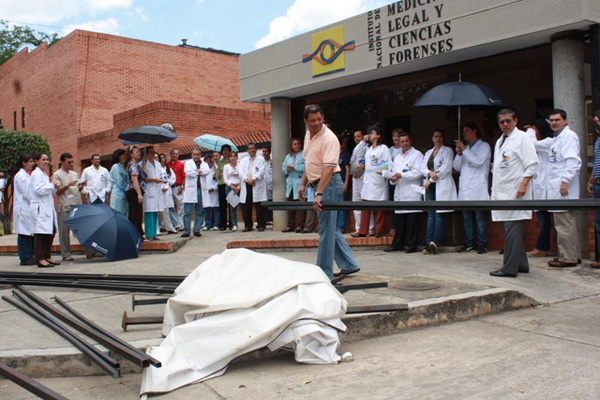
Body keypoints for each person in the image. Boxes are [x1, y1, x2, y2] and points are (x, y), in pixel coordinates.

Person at [298, 104, 360, 279]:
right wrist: (303, 184)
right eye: (313, 120)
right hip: (316, 184)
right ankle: (349, 264)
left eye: (319, 119)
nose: (317, 123)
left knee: (325, 230)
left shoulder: (329, 138)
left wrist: (319, 193)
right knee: (330, 227)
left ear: (323, 117)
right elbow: (308, 162)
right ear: (306, 121)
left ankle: (324, 272)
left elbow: (328, 168)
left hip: (329, 184)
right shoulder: (308, 135)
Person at [489, 108, 538, 278]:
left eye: (508, 121)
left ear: (515, 121)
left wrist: (523, 185)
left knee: (512, 230)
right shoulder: (500, 140)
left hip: (515, 192)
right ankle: (522, 264)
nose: (505, 124)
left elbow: (532, 164)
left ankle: (509, 268)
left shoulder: (522, 138)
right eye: (502, 122)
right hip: (502, 192)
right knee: (511, 230)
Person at [544, 109, 582, 268]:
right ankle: (573, 255)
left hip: (563, 188)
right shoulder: (556, 138)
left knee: (564, 225)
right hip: (557, 188)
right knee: (566, 223)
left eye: (557, 120)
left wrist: (565, 181)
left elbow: (573, 161)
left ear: (565, 121)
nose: (554, 123)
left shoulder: (568, 136)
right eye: (551, 120)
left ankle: (567, 258)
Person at [453, 123, 491, 254]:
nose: (464, 134)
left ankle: (482, 243)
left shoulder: (484, 146)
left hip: (478, 188)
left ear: (475, 131)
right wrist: (459, 154)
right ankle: (470, 242)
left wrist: (464, 150)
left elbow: (478, 161)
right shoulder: (466, 148)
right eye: (463, 131)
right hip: (465, 189)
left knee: (479, 218)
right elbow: (456, 167)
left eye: (467, 131)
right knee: (467, 218)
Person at [384, 132, 424, 253]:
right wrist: (393, 179)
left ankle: (412, 246)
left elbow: (418, 172)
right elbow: (394, 173)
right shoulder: (397, 157)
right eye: (402, 142)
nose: (404, 143)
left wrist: (402, 175)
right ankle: (398, 244)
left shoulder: (417, 155)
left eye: (406, 141)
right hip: (400, 192)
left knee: (412, 222)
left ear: (410, 141)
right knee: (400, 222)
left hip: (412, 192)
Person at [422, 129, 457, 254]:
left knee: (439, 214)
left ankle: (435, 242)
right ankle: (427, 244)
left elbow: (446, 168)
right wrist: (429, 172)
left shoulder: (447, 151)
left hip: (440, 184)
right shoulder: (428, 153)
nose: (438, 139)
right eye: (436, 136)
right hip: (430, 186)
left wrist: (431, 179)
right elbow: (422, 167)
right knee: (431, 215)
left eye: (440, 136)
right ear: (432, 138)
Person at [351, 126, 390, 238]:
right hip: (367, 179)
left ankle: (378, 231)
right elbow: (356, 152)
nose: (370, 135)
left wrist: (381, 170)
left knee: (379, 206)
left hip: (378, 178)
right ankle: (363, 230)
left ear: (378, 136)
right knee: (365, 204)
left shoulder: (383, 148)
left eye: (373, 133)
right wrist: (363, 141)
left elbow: (387, 162)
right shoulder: (369, 148)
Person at [526, 118, 554, 257]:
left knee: (544, 219)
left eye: (535, 130)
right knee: (543, 218)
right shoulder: (543, 144)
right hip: (540, 187)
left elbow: (531, 144)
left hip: (546, 188)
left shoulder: (549, 142)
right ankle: (543, 246)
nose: (533, 133)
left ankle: (542, 247)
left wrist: (530, 131)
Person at [31, 153, 60, 268]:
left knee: (51, 231)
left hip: (47, 206)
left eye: (47, 160)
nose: (46, 162)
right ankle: (40, 258)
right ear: (36, 161)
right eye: (43, 160)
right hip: (40, 207)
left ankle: (47, 255)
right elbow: (39, 190)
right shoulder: (36, 174)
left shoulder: (44, 174)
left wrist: (54, 187)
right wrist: (51, 186)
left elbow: (47, 190)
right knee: (40, 233)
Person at [52, 152, 82, 261]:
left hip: (77, 204)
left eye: (72, 162)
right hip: (65, 205)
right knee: (64, 232)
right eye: (69, 162)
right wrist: (68, 184)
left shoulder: (74, 174)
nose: (71, 164)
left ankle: (90, 251)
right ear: (62, 162)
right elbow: (58, 191)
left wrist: (82, 186)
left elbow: (77, 188)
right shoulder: (57, 175)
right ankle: (66, 254)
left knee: (82, 229)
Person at [239, 142, 267, 232]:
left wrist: (253, 179)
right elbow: (240, 172)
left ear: (256, 150)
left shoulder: (261, 159)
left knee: (259, 206)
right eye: (250, 148)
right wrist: (247, 179)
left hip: (256, 183)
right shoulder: (243, 160)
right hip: (247, 184)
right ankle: (248, 225)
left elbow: (262, 171)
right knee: (247, 206)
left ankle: (261, 225)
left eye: (254, 148)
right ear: (247, 150)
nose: (252, 150)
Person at [13, 155, 36, 265]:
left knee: (29, 232)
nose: (32, 163)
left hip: (28, 207)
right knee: (24, 233)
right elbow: (26, 193)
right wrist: (35, 202)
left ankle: (30, 255)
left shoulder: (27, 175)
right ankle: (25, 257)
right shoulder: (20, 176)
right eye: (30, 161)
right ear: (24, 163)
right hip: (23, 208)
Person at [141, 146, 166, 241]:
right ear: (146, 153)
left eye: (153, 152)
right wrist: (154, 180)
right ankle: (149, 235)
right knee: (149, 212)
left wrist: (161, 180)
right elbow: (143, 178)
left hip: (157, 189)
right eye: (150, 152)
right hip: (148, 190)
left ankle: (154, 233)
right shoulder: (142, 164)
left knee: (155, 212)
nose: (152, 154)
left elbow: (160, 175)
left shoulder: (158, 164)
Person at [281, 138, 306, 232]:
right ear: (291, 146)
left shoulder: (303, 154)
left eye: (298, 144)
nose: (297, 145)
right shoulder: (288, 156)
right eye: (295, 144)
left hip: (299, 182)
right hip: (290, 183)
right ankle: (290, 225)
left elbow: (305, 167)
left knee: (300, 206)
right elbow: (283, 168)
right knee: (291, 205)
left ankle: (299, 226)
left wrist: (294, 167)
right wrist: (287, 169)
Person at [349, 130, 371, 234]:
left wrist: (363, 142)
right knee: (356, 203)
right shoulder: (356, 148)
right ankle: (358, 228)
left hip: (364, 177)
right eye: (355, 137)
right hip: (356, 177)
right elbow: (353, 162)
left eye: (359, 136)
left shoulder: (367, 147)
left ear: (363, 137)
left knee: (365, 202)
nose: (357, 138)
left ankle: (369, 228)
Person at [182, 148, 204, 237]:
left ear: (200, 155)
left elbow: (206, 171)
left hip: (200, 189)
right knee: (187, 212)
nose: (196, 156)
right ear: (192, 155)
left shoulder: (203, 164)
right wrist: (197, 171)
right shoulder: (188, 163)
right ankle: (186, 231)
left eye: (198, 154)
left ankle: (197, 230)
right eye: (194, 154)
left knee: (199, 211)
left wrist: (196, 171)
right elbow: (188, 172)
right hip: (190, 190)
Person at [588, 111, 600, 269]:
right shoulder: (597, 141)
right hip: (597, 183)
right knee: (598, 221)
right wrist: (590, 180)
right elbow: (596, 163)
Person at [125, 146, 145, 238]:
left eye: (139, 152)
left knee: (133, 213)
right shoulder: (133, 164)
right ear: (131, 154)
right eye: (136, 152)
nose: (139, 153)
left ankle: (134, 234)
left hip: (131, 191)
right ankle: (137, 234)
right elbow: (134, 179)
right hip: (134, 191)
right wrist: (139, 194)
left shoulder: (132, 164)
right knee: (136, 214)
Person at [158, 153, 177, 234]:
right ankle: (157, 228)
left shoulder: (164, 169)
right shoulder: (152, 168)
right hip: (156, 191)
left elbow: (167, 179)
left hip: (165, 191)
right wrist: (160, 187)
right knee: (156, 211)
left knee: (166, 210)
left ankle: (169, 227)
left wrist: (165, 186)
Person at [166, 149, 184, 231]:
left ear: (178, 155)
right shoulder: (167, 165)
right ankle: (174, 224)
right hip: (169, 188)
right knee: (170, 206)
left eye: (176, 154)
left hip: (178, 187)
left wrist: (182, 187)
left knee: (180, 206)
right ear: (170, 154)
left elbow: (184, 176)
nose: (175, 155)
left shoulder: (181, 164)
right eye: (173, 154)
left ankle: (181, 224)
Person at [223, 151, 241, 231]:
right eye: (231, 156)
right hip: (230, 187)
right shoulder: (226, 166)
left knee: (243, 205)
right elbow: (225, 179)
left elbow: (242, 177)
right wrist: (232, 187)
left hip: (240, 187)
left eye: (234, 156)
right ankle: (234, 224)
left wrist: (238, 187)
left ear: (237, 157)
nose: (233, 158)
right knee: (232, 206)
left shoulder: (240, 166)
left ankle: (247, 224)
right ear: (229, 158)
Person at [201, 153, 220, 230]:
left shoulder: (216, 169)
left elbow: (218, 179)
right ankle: (207, 224)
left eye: (210, 161)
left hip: (214, 192)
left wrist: (213, 188)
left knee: (215, 209)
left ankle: (216, 224)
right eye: (207, 161)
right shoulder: (203, 170)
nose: (208, 163)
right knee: (206, 209)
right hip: (206, 192)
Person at [337, 137, 351, 233]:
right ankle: (335, 226)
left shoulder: (345, 154)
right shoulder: (334, 154)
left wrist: (346, 183)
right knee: (335, 205)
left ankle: (341, 227)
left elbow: (347, 170)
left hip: (342, 180)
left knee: (342, 204)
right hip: (334, 181)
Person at [216, 145, 232, 231]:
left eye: (226, 150)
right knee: (222, 205)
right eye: (223, 150)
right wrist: (220, 175)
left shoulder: (231, 161)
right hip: (221, 184)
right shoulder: (220, 162)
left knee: (231, 204)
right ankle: (223, 224)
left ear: (229, 151)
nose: (225, 152)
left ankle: (232, 223)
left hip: (230, 184)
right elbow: (217, 175)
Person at [109, 149, 128, 215]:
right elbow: (120, 182)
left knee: (124, 214)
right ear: (120, 156)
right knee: (118, 214)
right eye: (124, 155)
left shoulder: (123, 166)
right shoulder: (116, 167)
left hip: (123, 194)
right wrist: (128, 189)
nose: (126, 156)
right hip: (118, 194)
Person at [262, 147, 274, 225]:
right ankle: (265, 220)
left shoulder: (272, 162)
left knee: (271, 202)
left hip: (271, 186)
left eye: (266, 151)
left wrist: (273, 186)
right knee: (264, 204)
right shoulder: (261, 162)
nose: (264, 153)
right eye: (263, 151)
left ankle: (271, 219)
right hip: (263, 187)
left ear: (269, 152)